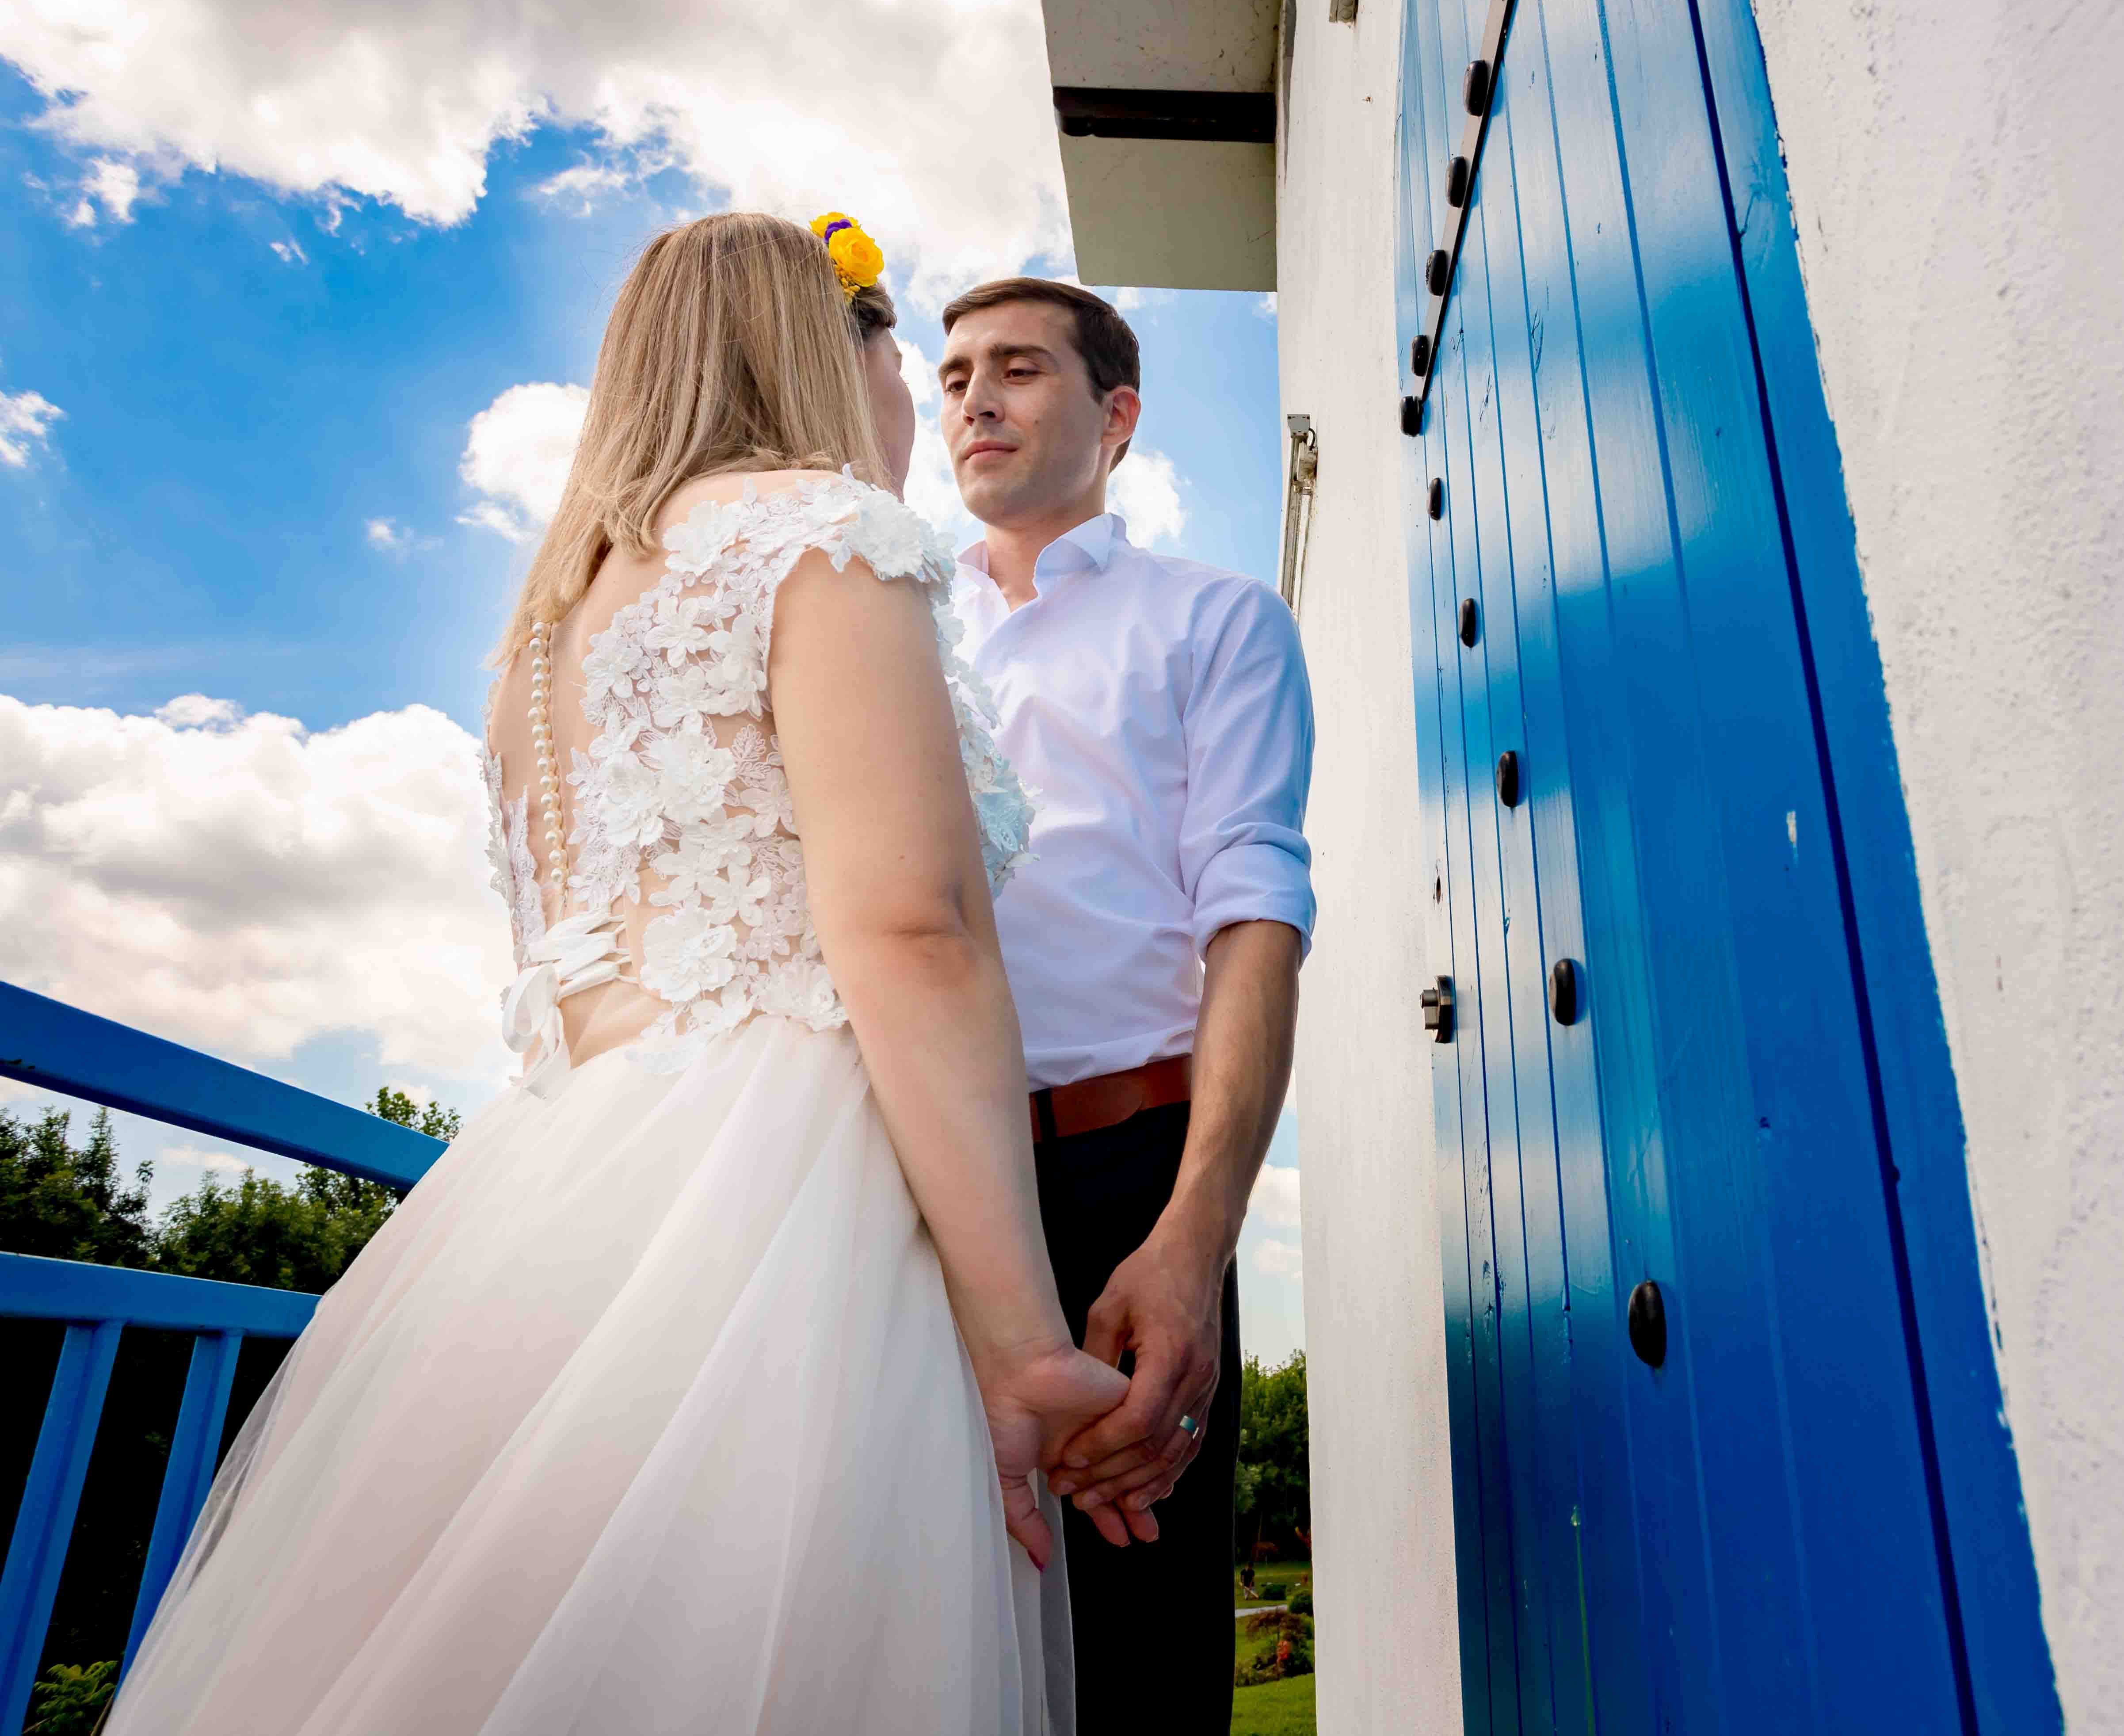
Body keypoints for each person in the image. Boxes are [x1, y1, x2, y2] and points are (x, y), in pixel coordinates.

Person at [107, 213, 1133, 1735]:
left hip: (566, 1192)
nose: (913, 392)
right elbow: (910, 934)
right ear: (830, 349)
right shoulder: (828, 535)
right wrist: (1022, 1339)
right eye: (897, 350)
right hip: (792, 1196)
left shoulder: (544, 630)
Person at [933, 277, 1315, 1731]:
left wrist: (1191, 1238)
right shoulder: (890, 627)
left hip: (1126, 1182)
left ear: (1118, 414)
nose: (975, 397)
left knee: (1135, 1645)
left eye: (1019, 367)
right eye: (954, 373)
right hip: (910, 1180)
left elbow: (1253, 919)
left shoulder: (1215, 621)